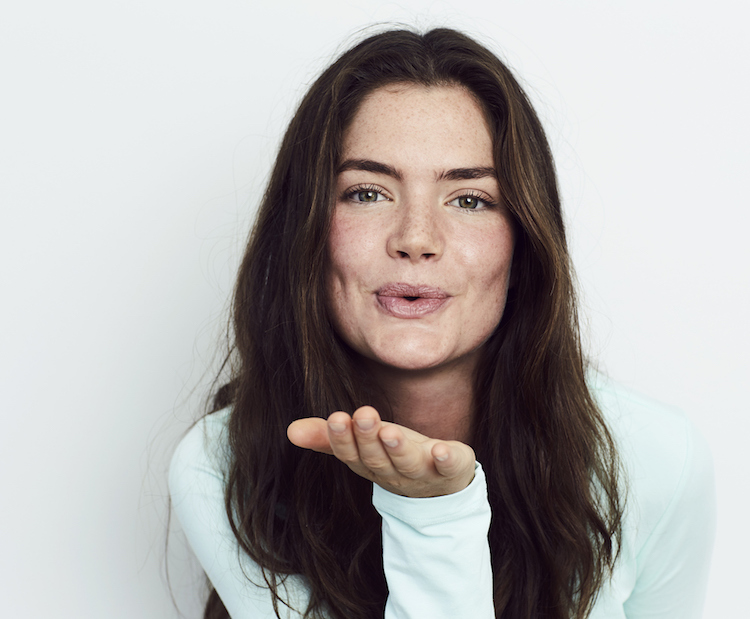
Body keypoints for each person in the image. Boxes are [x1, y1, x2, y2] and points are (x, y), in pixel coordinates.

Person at [169, 28, 715, 619]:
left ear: (523, 244)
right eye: (368, 193)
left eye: (470, 200)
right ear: (304, 230)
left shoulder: (653, 457)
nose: (416, 239)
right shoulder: (219, 465)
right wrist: (432, 514)